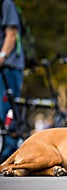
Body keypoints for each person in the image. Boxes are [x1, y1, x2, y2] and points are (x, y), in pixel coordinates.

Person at [0, 0, 25, 162]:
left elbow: (11, 34)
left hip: (9, 67)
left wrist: (1, 57)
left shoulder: (6, 4)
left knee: (6, 111)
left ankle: (9, 155)